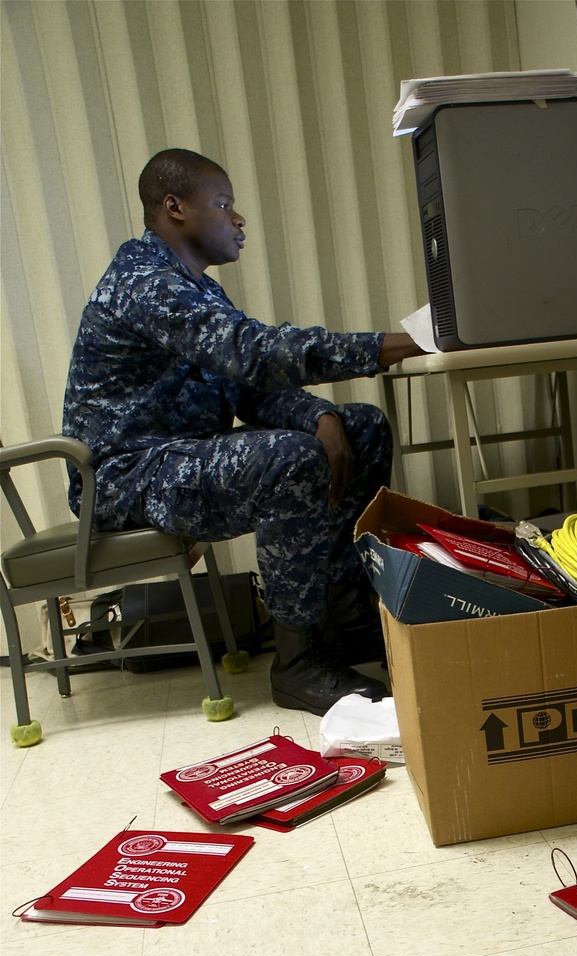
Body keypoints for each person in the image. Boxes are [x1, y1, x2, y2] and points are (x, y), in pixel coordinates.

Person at [62, 147, 422, 713]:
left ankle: (344, 621)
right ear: (175, 207)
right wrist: (392, 345)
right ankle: (298, 663)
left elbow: (247, 387)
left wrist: (321, 416)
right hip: (127, 476)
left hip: (180, 456)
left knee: (363, 428)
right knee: (289, 458)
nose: (238, 218)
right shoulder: (146, 283)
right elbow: (253, 352)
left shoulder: (195, 288)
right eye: (223, 204)